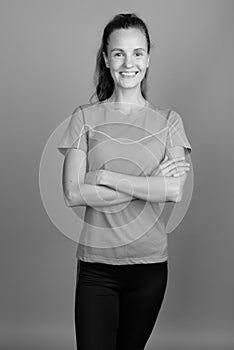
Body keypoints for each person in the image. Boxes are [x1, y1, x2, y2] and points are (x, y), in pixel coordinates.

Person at [57, 13, 192, 350]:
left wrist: (103, 177)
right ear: (105, 59)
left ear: (148, 58)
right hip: (96, 269)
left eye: (137, 52)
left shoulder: (169, 121)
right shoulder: (84, 118)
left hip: (149, 269)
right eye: (118, 53)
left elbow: (173, 190)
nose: (128, 62)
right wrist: (148, 184)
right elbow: (74, 193)